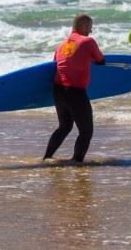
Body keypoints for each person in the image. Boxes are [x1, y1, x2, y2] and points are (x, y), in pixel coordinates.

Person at [44, 14, 105, 163]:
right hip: (75, 92)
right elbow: (101, 60)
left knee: (64, 127)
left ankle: (47, 157)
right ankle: (76, 162)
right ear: (83, 26)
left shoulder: (61, 45)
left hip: (58, 90)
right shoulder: (88, 41)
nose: (90, 31)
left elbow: (54, 66)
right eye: (89, 27)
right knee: (86, 131)